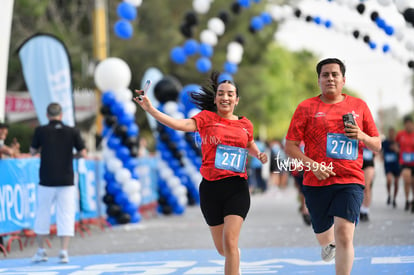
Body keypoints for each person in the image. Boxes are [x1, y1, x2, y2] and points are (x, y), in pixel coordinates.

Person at [134, 71, 267, 275]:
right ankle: (234, 259)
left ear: (237, 100)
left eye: (230, 94)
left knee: (230, 242)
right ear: (215, 98)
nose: (225, 97)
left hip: (236, 187)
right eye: (221, 93)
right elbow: (178, 124)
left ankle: (234, 258)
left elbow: (249, 142)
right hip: (211, 189)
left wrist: (258, 154)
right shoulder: (205, 118)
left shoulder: (245, 123)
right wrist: (150, 109)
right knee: (223, 249)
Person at [284, 58, 381, 275]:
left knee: (345, 234)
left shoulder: (359, 106)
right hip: (315, 181)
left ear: (343, 79)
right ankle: (327, 243)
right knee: (325, 239)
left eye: (334, 74)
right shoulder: (306, 107)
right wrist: (313, 166)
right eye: (325, 75)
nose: (330, 78)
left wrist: (362, 135)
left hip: (350, 180)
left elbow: (377, 145)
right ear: (318, 80)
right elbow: (290, 146)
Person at [30, 103, 87, 264]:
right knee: (66, 215)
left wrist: (45, 151)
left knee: (42, 214)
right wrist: (70, 157)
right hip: (66, 179)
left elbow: (33, 151)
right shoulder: (72, 131)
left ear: (47, 115)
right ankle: (64, 251)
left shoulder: (40, 130)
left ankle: (41, 250)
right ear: (61, 115)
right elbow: (83, 152)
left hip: (47, 179)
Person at [395, 115, 414, 212]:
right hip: (404, 162)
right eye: (406, 125)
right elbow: (395, 143)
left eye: (410, 125)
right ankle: (407, 200)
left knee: (413, 182)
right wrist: (398, 149)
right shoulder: (400, 134)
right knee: (407, 180)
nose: (408, 127)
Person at [382, 127, 401, 208]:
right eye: (390, 133)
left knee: (396, 182)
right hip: (388, 164)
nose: (391, 134)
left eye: (393, 133)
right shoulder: (384, 142)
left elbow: (401, 152)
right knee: (389, 180)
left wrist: (396, 149)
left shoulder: (398, 142)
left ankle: (394, 198)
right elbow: (380, 151)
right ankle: (389, 194)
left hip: (396, 165)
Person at [360, 146, 375, 222]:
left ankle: (365, 209)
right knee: (359, 187)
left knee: (367, 187)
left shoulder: (371, 134)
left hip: (369, 164)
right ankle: (360, 208)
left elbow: (377, 148)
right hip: (358, 163)